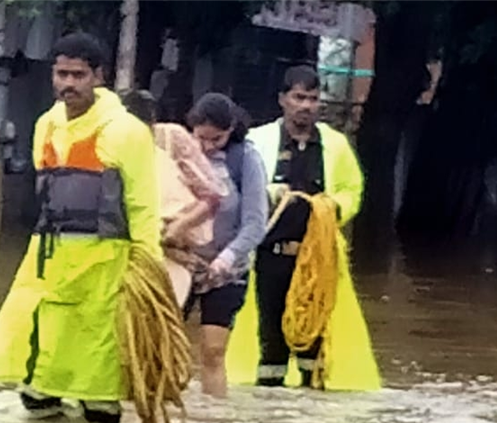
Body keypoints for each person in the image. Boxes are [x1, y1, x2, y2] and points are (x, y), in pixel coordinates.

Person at [0, 33, 161, 423]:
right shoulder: (45, 125)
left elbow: (144, 205)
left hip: (104, 267)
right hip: (46, 263)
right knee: (36, 382)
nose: (68, 84)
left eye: (77, 75)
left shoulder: (127, 132)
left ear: (99, 76)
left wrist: (148, 269)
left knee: (98, 391)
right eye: (61, 74)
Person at [227, 66, 380, 391]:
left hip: (317, 260)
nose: (306, 106)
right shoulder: (258, 141)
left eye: (312, 99)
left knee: (315, 337)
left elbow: (353, 191)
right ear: (283, 99)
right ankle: (270, 407)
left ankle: (313, 395)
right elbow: (236, 191)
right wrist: (268, 195)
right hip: (269, 257)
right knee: (270, 336)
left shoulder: (335, 145)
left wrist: (330, 207)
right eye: (299, 97)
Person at [182, 93, 268, 397]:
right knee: (166, 344)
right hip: (182, 263)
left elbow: (256, 223)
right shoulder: (179, 154)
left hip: (227, 270)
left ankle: (213, 419)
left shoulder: (245, 159)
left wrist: (226, 258)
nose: (206, 147)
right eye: (201, 138)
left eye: (216, 139)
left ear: (231, 130)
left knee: (213, 351)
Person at [120, 89, 227, 309]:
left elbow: (212, 196)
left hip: (171, 250)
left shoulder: (170, 138)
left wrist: (179, 226)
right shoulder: (111, 145)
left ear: (152, 123)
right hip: (125, 252)